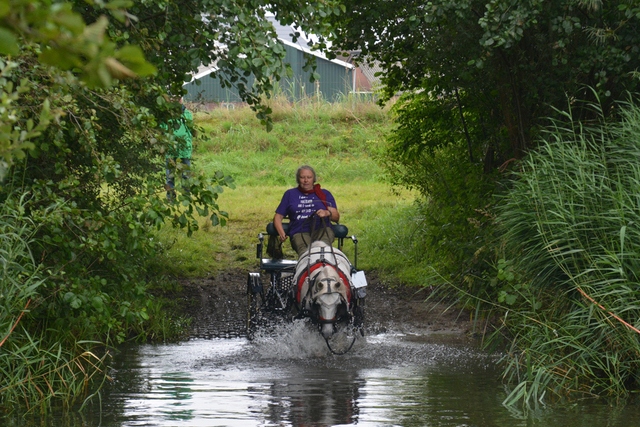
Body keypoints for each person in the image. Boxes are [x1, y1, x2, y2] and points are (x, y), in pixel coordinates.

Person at [274, 165, 340, 257]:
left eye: (309, 177)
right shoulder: (290, 194)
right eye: (302, 177)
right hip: (299, 231)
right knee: (306, 256)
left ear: (313, 179)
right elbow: (278, 216)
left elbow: (336, 217)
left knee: (322, 253)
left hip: (322, 229)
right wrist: (282, 233)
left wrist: (327, 213)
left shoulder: (324, 194)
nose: (306, 180)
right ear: (298, 179)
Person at [164, 98, 194, 201]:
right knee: (170, 176)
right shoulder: (166, 114)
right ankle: (170, 198)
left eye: (178, 98)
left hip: (184, 149)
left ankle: (186, 198)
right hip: (171, 148)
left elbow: (190, 128)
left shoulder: (187, 113)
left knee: (186, 175)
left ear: (181, 100)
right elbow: (163, 128)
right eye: (173, 98)